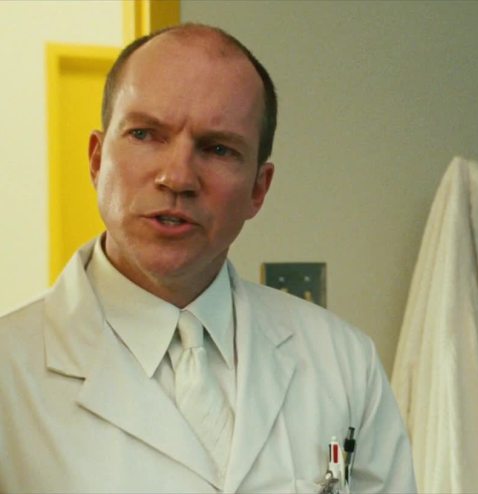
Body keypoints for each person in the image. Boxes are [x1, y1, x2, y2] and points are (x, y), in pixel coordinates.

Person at [0, 23, 416, 493]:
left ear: (258, 189)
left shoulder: (343, 364)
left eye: (218, 149)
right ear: (97, 160)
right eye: (145, 134)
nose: (177, 177)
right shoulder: (10, 372)